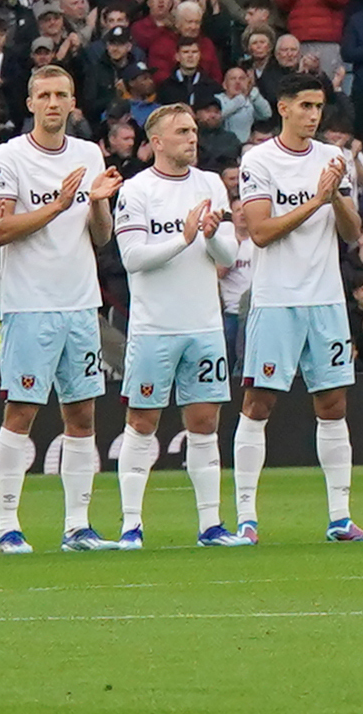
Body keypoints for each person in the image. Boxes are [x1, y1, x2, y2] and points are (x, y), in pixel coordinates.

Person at [0, 62, 117, 552]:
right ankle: (8, 527)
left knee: (82, 416)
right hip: (30, 304)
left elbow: (101, 236)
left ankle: (77, 526)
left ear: (73, 102)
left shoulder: (88, 154)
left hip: (80, 302)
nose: (54, 103)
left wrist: (97, 203)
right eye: (46, 95)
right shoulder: (10, 157)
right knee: (22, 413)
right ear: (31, 104)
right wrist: (57, 206)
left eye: (63, 95)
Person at [232, 76, 363, 543]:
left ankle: (340, 517)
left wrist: (334, 197)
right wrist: (317, 199)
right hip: (277, 300)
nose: (314, 115)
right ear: (283, 107)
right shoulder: (259, 160)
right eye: (306, 106)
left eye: (319, 106)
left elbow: (352, 233)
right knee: (258, 403)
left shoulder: (335, 160)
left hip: (326, 299)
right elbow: (262, 231)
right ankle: (247, 518)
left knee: (333, 404)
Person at [109, 100, 238, 546]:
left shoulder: (210, 185)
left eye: (193, 130)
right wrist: (182, 239)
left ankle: (210, 525)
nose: (192, 137)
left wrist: (208, 236)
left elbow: (229, 254)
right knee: (142, 422)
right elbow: (132, 258)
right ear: (157, 142)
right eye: (182, 131)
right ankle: (130, 525)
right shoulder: (138, 190)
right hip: (154, 327)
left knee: (204, 422)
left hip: (203, 324)